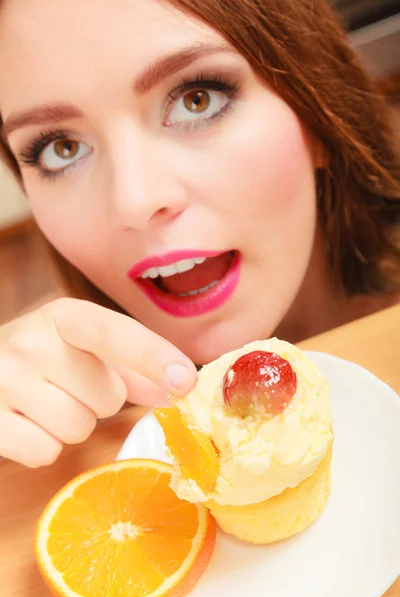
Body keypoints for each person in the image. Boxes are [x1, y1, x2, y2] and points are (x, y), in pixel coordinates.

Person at [0, 0, 399, 468]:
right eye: (60, 149)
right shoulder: (52, 425)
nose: (135, 200)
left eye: (197, 98)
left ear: (316, 111)